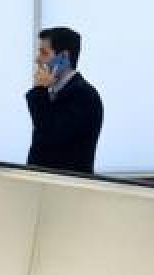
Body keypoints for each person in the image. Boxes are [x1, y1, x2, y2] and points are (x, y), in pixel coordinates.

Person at [25, 27, 104, 174]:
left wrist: (39, 91)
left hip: (67, 190)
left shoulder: (84, 95)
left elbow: (49, 134)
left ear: (63, 57)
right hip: (43, 186)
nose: (37, 59)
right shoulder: (52, 91)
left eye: (43, 53)